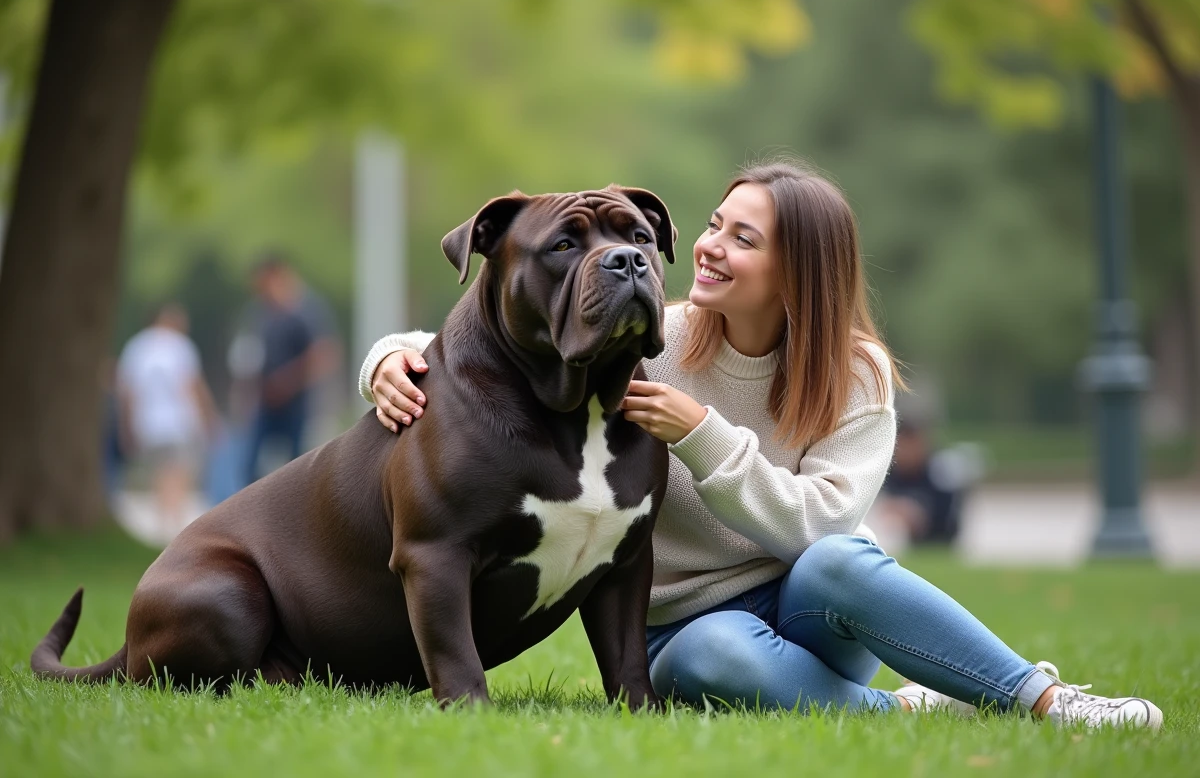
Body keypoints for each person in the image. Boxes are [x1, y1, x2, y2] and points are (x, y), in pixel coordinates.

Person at [359, 161, 1162, 729]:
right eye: (713, 224)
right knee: (715, 651)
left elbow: (821, 532)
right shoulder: (656, 337)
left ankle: (1049, 702)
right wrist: (386, 359)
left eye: (743, 240)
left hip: (807, 609)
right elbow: (491, 339)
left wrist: (705, 438)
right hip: (687, 636)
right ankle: (905, 710)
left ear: (797, 271)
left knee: (847, 559)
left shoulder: (856, 375)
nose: (707, 247)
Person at [237, 255, 339, 485]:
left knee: (297, 467)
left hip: (296, 404)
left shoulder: (306, 310)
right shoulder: (261, 312)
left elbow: (324, 354)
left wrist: (288, 382)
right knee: (249, 465)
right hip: (266, 402)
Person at [116, 303, 218, 534]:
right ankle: (175, 524)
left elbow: (128, 391)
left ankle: (164, 520)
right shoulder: (179, 345)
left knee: (159, 471)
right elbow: (192, 385)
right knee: (178, 471)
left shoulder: (136, 346)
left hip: (148, 421)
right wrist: (208, 417)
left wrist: (127, 425)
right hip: (178, 421)